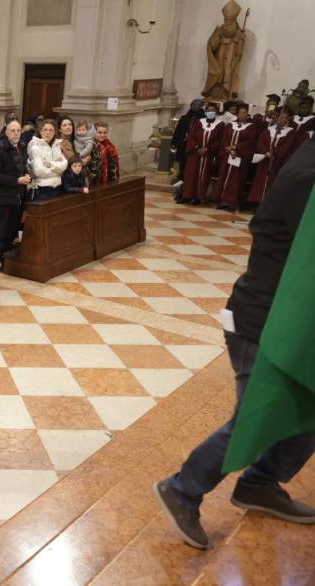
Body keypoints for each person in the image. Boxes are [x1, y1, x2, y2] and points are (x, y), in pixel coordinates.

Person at [154, 134, 315, 550]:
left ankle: (260, 483)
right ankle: (183, 489)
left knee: (307, 408)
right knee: (255, 417)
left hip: (290, 322)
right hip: (262, 322)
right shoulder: (306, 177)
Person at [0, 120, 32, 269]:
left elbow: (23, 168)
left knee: (13, 229)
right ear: (6, 133)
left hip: (18, 196)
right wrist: (16, 180)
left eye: (18, 131)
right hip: (4, 196)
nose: (16, 133)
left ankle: (7, 256)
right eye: (13, 131)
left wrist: (27, 176)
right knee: (2, 230)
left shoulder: (21, 147)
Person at [214, 105, 260, 211]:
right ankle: (221, 200)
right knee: (224, 176)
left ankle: (231, 202)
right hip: (227, 155)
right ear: (237, 114)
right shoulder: (230, 125)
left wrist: (235, 148)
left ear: (247, 114)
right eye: (240, 112)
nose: (242, 114)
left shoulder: (251, 127)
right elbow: (224, 138)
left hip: (240, 156)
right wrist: (228, 149)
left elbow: (250, 141)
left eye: (244, 113)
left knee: (236, 179)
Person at [247, 109, 298, 205]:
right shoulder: (269, 129)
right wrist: (265, 152)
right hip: (265, 160)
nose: (283, 120)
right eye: (281, 117)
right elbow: (260, 142)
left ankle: (268, 204)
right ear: (276, 118)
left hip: (277, 162)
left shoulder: (291, 132)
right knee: (260, 182)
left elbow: (288, 146)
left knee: (273, 182)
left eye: (286, 118)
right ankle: (257, 202)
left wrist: (274, 152)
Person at [179, 103, 225, 205]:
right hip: (195, 153)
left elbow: (220, 140)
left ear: (216, 112)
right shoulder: (199, 122)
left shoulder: (220, 125)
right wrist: (197, 147)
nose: (210, 112)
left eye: (213, 110)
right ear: (205, 111)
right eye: (208, 110)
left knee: (203, 176)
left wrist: (208, 148)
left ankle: (198, 197)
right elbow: (191, 136)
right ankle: (187, 195)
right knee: (190, 174)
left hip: (208, 155)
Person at [27, 119, 67, 200]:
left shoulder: (57, 145)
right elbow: (39, 171)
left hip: (58, 187)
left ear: (54, 132)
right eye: (45, 130)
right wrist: (57, 171)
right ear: (40, 131)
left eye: (51, 130)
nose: (48, 133)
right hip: (42, 189)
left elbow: (64, 165)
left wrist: (50, 165)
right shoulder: (35, 147)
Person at [171, 99, 206, 189]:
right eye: (193, 104)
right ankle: (181, 178)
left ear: (201, 106)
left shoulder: (203, 119)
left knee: (191, 163)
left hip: (194, 145)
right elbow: (178, 131)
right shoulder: (185, 117)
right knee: (182, 162)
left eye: (197, 105)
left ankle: (190, 180)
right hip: (183, 143)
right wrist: (174, 142)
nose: (195, 106)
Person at [87, 121, 120, 186]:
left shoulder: (109, 144)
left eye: (105, 133)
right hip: (97, 180)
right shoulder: (90, 145)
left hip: (110, 176)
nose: (102, 135)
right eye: (100, 132)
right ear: (94, 132)